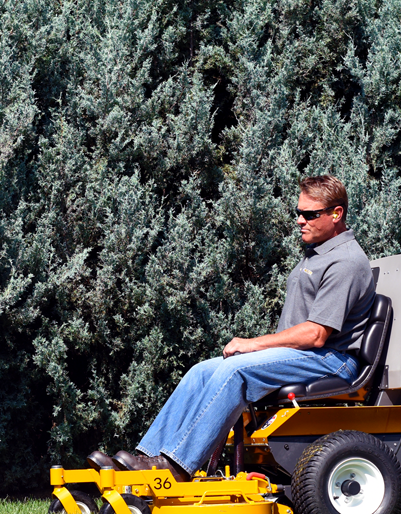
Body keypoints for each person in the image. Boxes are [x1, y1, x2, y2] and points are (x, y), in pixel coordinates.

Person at [91, 175, 376, 480]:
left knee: (234, 371)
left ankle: (176, 466)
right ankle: (148, 458)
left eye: (309, 214)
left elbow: (316, 335)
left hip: (331, 361)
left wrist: (253, 344)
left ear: (337, 214)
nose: (299, 221)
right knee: (201, 371)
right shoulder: (320, 253)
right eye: (298, 213)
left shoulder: (345, 262)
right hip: (308, 356)